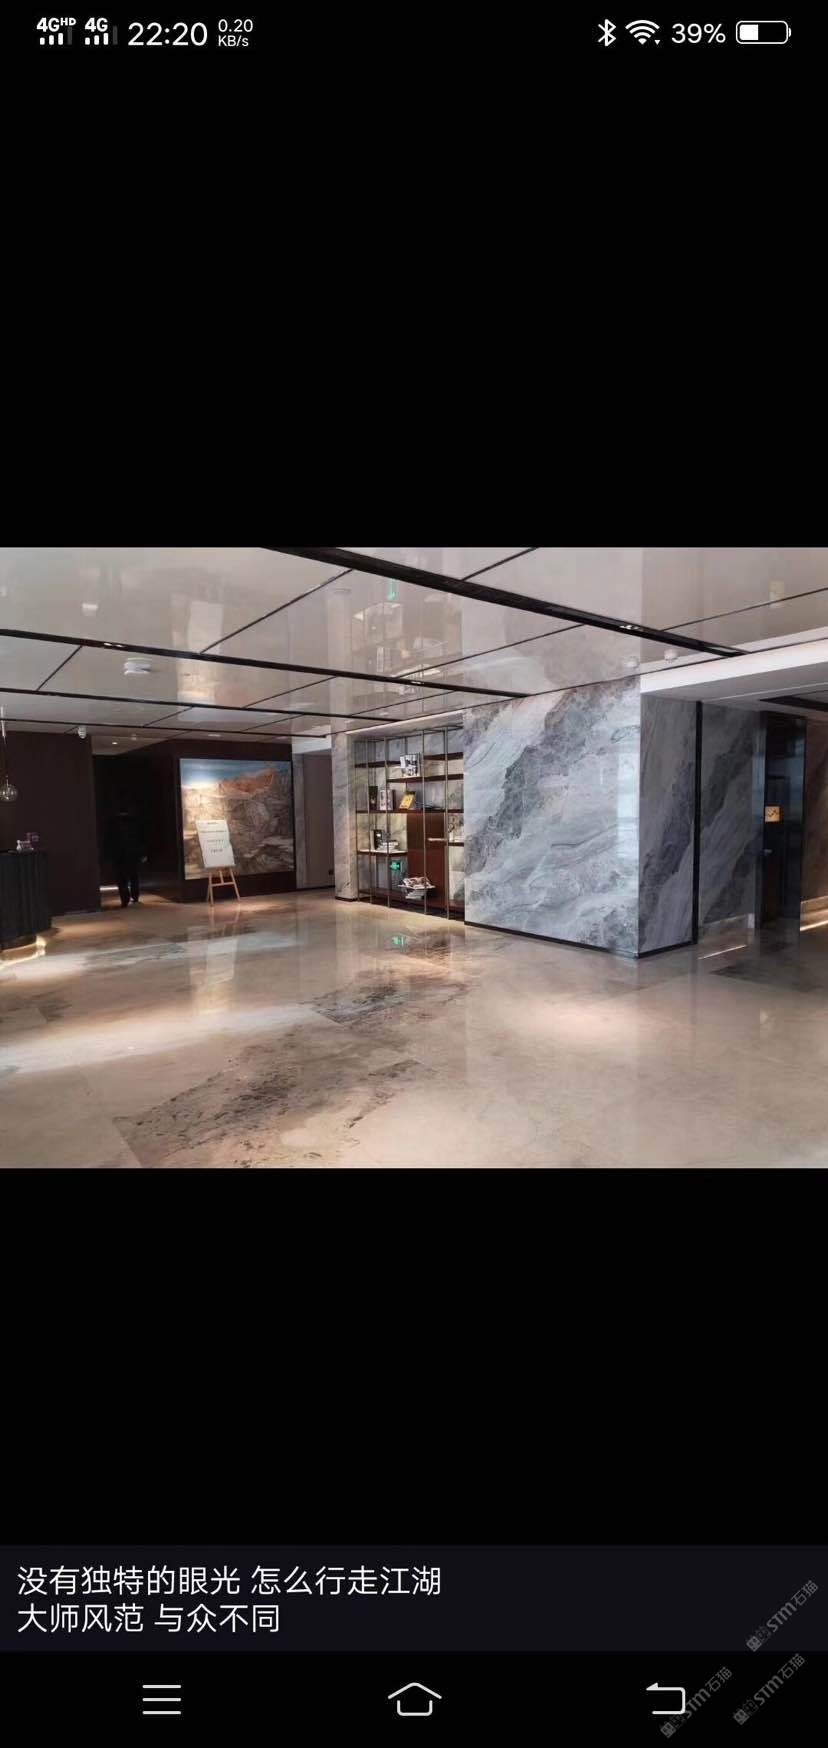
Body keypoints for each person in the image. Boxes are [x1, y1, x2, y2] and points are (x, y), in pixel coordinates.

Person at [105, 802, 146, 907]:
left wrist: (109, 856)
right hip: (133, 854)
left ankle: (125, 898)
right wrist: (142, 854)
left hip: (119, 855)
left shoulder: (112, 824)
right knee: (134, 875)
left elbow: (108, 841)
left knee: (121, 878)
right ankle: (135, 895)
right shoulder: (134, 823)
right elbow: (140, 839)